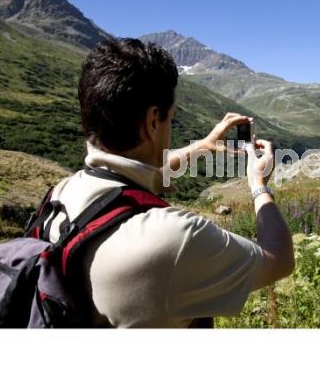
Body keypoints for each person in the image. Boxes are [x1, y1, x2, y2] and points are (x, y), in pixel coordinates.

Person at [43, 38, 294, 327]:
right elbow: (279, 259)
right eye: (170, 120)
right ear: (153, 121)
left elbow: (141, 176)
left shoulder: (60, 195)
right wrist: (259, 185)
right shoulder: (174, 238)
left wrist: (204, 145)